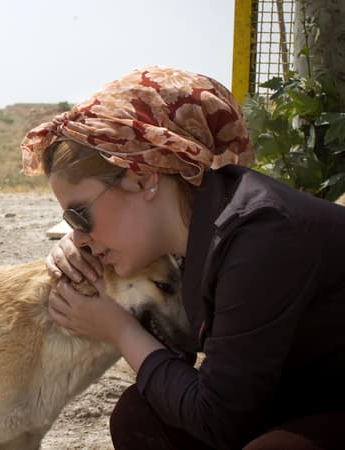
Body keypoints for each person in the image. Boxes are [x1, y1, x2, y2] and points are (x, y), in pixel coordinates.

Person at [20, 66, 345, 449]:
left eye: (79, 214)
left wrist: (120, 331)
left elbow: (217, 421)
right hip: (300, 393)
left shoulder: (261, 237)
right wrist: (83, 244)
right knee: (141, 416)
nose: (76, 236)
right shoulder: (198, 225)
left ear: (143, 179)